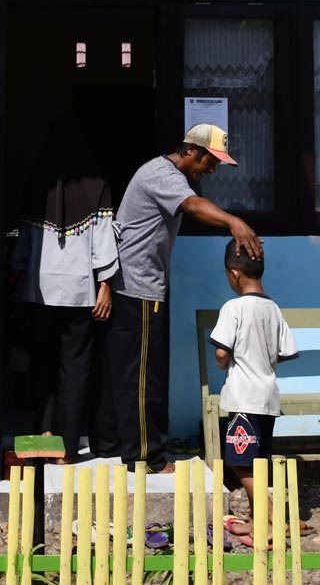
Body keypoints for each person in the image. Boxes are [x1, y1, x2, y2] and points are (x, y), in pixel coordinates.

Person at [104, 123, 263, 473]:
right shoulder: (162, 174)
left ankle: (134, 447)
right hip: (138, 287)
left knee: (148, 373)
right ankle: (145, 457)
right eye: (210, 160)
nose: (212, 169)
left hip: (148, 287)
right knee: (142, 378)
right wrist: (234, 222)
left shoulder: (169, 174)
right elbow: (192, 206)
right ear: (191, 150)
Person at [13, 116, 119, 463]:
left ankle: (42, 441)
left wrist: (20, 278)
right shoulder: (97, 185)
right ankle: (67, 450)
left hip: (39, 293)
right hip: (80, 294)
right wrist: (105, 285)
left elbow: (24, 249)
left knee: (43, 364)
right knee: (75, 370)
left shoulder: (36, 185)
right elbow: (104, 242)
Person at [210, 239, 298, 538]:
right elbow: (283, 353)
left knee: (238, 462)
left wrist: (224, 364)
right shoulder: (273, 309)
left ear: (234, 273)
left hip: (243, 397)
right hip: (268, 396)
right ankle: (258, 517)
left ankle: (271, 517)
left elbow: (222, 352)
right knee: (257, 461)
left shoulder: (233, 308)